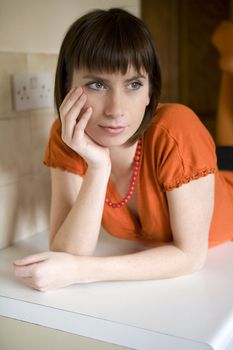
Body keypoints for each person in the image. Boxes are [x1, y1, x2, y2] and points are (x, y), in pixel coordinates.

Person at [13, 8, 233, 292]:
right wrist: (98, 167)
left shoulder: (177, 128)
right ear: (67, 85)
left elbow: (191, 256)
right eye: (96, 84)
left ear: (151, 91)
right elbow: (66, 251)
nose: (116, 110)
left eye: (134, 84)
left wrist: (85, 271)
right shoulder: (68, 136)